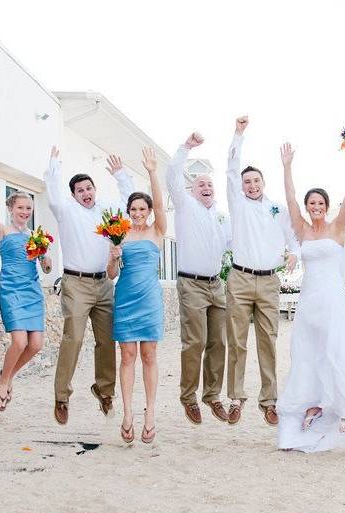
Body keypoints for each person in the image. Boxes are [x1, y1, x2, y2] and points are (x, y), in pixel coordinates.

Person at [276, 144, 345, 452]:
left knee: (338, 351)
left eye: (320, 202)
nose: (315, 206)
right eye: (312, 203)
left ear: (326, 205)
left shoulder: (338, 227)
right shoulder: (303, 230)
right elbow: (290, 199)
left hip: (334, 300)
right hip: (310, 302)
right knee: (310, 355)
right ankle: (313, 404)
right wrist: (286, 167)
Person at [44, 146, 134, 425]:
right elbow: (53, 193)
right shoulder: (66, 210)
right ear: (73, 195)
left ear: (95, 189)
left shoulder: (108, 209)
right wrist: (54, 165)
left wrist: (120, 174)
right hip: (76, 283)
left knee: (107, 341)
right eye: (80, 190)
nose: (86, 193)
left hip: (105, 283)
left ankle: (104, 391)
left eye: (88, 188)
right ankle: (62, 396)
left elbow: (129, 202)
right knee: (74, 338)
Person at [225, 116, 300, 426]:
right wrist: (238, 134)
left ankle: (269, 400)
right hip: (240, 278)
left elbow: (294, 233)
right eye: (247, 182)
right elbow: (231, 168)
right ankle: (235, 397)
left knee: (268, 341)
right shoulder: (238, 204)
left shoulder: (277, 209)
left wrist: (294, 253)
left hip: (269, 280)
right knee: (237, 341)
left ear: (263, 183)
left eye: (256, 181)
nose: (251, 185)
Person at [165, 132, 232, 425]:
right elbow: (171, 177)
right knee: (195, 342)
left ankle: (212, 396)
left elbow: (236, 243)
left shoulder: (220, 216)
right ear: (192, 190)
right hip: (191, 283)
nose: (206, 187)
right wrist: (186, 148)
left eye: (209, 184)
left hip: (216, 284)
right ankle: (188, 397)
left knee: (218, 342)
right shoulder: (185, 205)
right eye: (200, 184)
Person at [0, 164, 52, 411]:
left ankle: (6, 376)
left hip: (32, 291)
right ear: (11, 208)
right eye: (20, 207)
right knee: (19, 342)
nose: (25, 211)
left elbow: (46, 267)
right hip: (11, 290)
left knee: (36, 345)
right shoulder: (3, 231)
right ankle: (2, 382)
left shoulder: (35, 236)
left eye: (28, 208)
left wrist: (47, 259)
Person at [109, 147, 165, 444]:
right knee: (127, 355)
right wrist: (114, 256)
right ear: (128, 212)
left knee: (149, 355)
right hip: (126, 298)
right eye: (134, 210)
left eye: (143, 209)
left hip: (150, 299)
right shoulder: (119, 234)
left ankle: (151, 413)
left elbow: (160, 204)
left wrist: (153, 172)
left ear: (149, 211)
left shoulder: (157, 231)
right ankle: (128, 412)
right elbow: (110, 274)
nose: (138, 214)